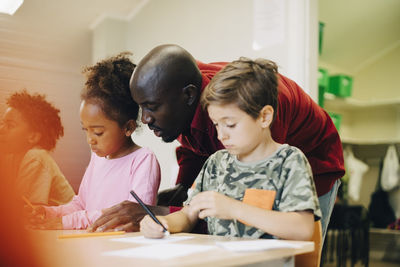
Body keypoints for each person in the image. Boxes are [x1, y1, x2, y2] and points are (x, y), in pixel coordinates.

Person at [90, 44, 344, 241]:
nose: (145, 119)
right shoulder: (187, 111)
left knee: (301, 250)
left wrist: (230, 207)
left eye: (152, 108)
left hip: (316, 158)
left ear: (189, 96)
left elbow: (294, 226)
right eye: (217, 125)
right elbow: (195, 162)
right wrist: (174, 207)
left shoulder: (279, 149)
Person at [140, 58, 321, 240]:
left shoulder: (288, 161)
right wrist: (165, 223)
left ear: (264, 117)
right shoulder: (215, 163)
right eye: (216, 124)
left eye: (231, 124)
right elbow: (188, 215)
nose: (221, 136)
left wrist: (233, 208)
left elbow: (302, 229)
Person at [27, 53, 161, 230]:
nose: (90, 140)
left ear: (128, 128)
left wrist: (68, 222)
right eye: (86, 130)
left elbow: (133, 216)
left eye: (98, 132)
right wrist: (49, 213)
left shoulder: (143, 160)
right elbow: (81, 205)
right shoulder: (97, 159)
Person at [0, 90, 75, 206]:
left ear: (33, 137)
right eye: (2, 123)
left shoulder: (36, 157)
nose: (1, 130)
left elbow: (25, 210)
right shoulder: (11, 157)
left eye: (10, 126)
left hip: (71, 221)